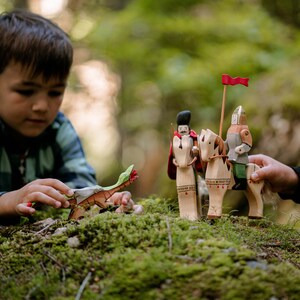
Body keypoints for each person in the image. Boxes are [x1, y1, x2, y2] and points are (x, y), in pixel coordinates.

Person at [0, 9, 132, 225]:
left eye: (55, 93)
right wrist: (9, 200)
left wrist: (104, 198)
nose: (42, 106)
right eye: (25, 91)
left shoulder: (58, 128)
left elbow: (79, 185)